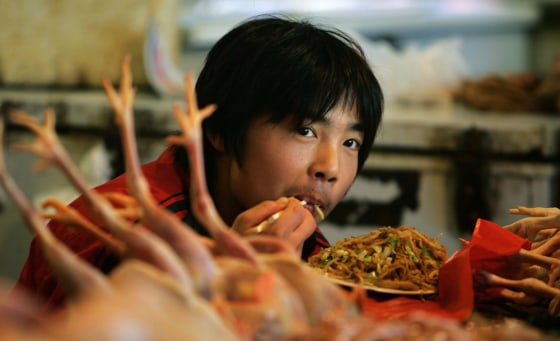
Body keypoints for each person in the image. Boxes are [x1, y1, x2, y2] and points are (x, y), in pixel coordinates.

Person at [14, 14, 384, 309]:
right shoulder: (123, 230)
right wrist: (228, 274)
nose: (331, 168)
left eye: (351, 142)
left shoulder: (294, 236)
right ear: (219, 130)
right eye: (306, 131)